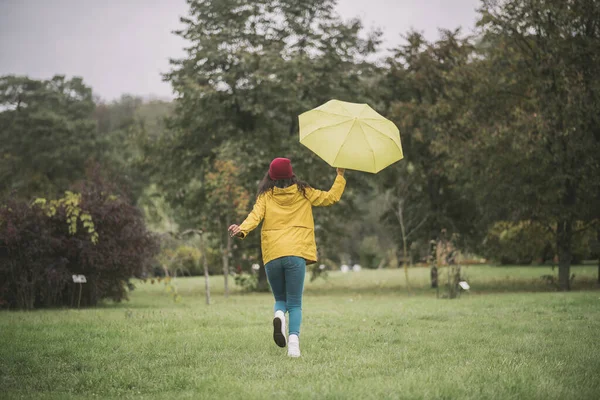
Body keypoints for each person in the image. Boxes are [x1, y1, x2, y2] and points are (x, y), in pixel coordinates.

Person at [228, 158, 346, 357]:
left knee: (280, 300)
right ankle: (293, 345)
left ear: (271, 176)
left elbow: (254, 216)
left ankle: (279, 315)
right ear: (292, 174)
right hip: (296, 253)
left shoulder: (265, 196)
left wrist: (241, 230)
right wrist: (340, 176)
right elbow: (330, 198)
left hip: (273, 253)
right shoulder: (304, 191)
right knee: (295, 303)